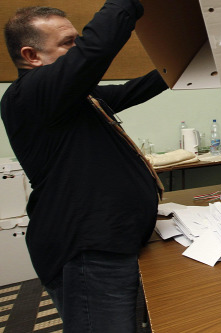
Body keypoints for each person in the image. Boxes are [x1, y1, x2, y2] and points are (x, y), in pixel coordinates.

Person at [1, 1, 168, 331]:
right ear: (31, 56)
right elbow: (95, 51)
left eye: (78, 40)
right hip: (87, 253)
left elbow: (133, 89)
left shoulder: (74, 99)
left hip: (111, 244)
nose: (77, 49)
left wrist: (180, 67)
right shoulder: (29, 95)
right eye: (68, 43)